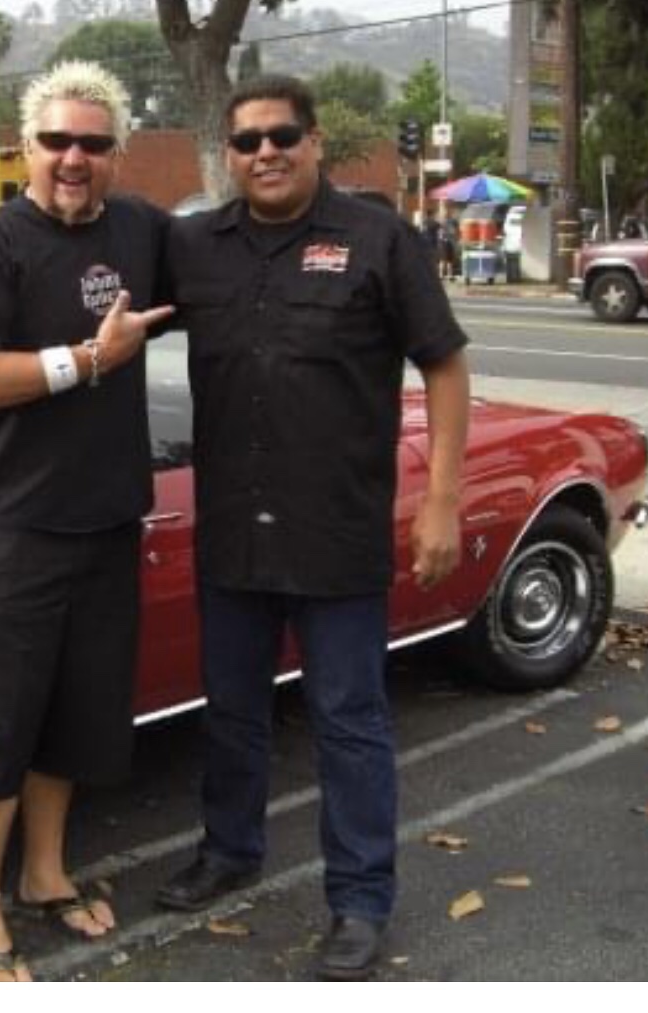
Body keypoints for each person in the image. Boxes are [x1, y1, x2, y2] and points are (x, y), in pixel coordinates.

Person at [157, 74, 470, 981]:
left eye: (282, 135)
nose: (266, 152)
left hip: (336, 529)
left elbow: (445, 365)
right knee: (232, 710)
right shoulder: (194, 246)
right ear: (229, 154)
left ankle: (360, 899)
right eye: (247, 140)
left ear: (315, 141)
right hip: (232, 529)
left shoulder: (378, 238)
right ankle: (229, 850)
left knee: (348, 720)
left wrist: (442, 499)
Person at [0, 60, 172, 982]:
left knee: (76, 716)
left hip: (107, 522)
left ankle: (43, 872)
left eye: (94, 144)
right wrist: (89, 359)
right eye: (57, 140)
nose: (74, 158)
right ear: (26, 146)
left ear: (118, 153)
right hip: (12, 529)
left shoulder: (140, 230)